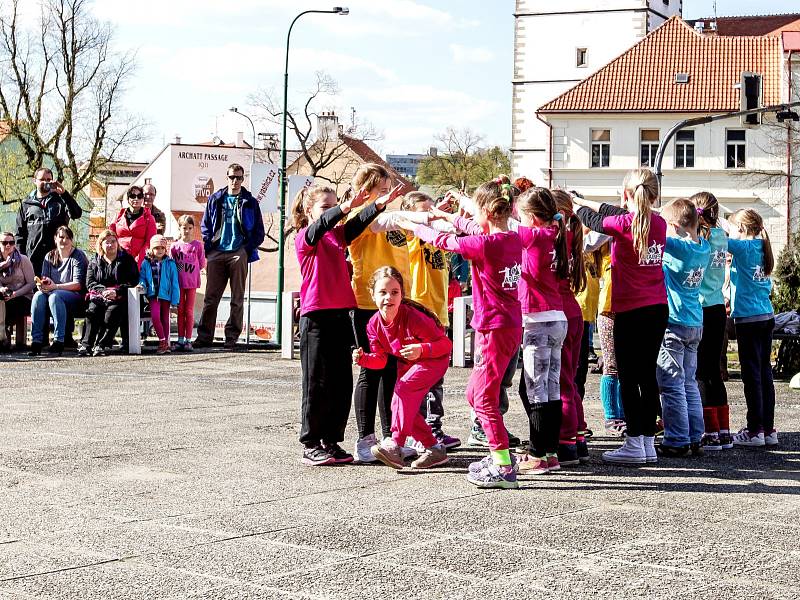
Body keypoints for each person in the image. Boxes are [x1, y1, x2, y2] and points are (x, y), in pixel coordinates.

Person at [412, 176, 523, 489]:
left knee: (485, 399)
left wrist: (415, 224)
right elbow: (474, 228)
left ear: (485, 211)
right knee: (475, 394)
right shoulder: (512, 238)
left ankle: (503, 466)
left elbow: (445, 242)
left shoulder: (486, 244)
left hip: (495, 328)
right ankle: (497, 453)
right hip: (505, 326)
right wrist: (449, 216)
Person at [574, 168, 667, 466]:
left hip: (630, 309)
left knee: (628, 376)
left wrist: (575, 204)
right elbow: (612, 212)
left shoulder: (624, 224)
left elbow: (593, 219)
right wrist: (588, 201)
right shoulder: (661, 223)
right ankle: (647, 444)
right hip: (657, 308)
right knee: (647, 375)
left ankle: (634, 443)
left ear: (626, 194)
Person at [290, 183, 386, 466]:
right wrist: (343, 206)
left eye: (334, 205)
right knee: (316, 383)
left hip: (342, 314)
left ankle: (331, 440)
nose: (332, 211)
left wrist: (377, 204)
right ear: (310, 211)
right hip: (316, 316)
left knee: (341, 382)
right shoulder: (305, 237)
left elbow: (355, 224)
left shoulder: (337, 236)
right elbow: (322, 225)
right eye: (324, 206)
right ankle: (311, 442)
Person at [354, 267, 452, 470]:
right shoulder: (373, 325)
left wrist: (421, 349)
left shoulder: (413, 317)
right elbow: (380, 361)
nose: (388, 297)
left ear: (401, 295)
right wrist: (363, 359)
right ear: (372, 295)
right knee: (403, 407)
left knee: (403, 390)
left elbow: (445, 345)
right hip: (408, 364)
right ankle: (434, 449)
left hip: (434, 359)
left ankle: (395, 444)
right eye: (382, 292)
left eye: (394, 292)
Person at [345, 163, 407, 462]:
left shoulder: (390, 218)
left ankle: (389, 438)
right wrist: (385, 207)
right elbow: (377, 223)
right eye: (382, 190)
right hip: (367, 304)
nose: (388, 196)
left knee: (392, 372)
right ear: (365, 191)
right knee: (372, 370)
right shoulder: (361, 217)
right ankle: (363, 439)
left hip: (396, 306)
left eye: (389, 191)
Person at [511, 187, 569, 475]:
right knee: (550, 388)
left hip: (537, 320)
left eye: (521, 216)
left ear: (532, 218)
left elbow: (498, 228)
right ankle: (550, 452)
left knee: (533, 390)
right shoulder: (555, 234)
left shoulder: (533, 235)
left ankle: (537, 453)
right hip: (556, 318)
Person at [401, 191, 461, 450]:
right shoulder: (412, 237)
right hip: (419, 314)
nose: (430, 216)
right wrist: (428, 215)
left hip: (439, 314)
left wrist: (441, 211)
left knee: (437, 377)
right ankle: (420, 431)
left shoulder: (438, 238)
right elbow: (417, 225)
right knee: (420, 377)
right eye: (423, 212)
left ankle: (435, 427)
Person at [655, 199, 711, 457]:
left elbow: (650, 235)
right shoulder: (704, 248)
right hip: (695, 322)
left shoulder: (676, 246)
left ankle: (676, 439)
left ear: (675, 227)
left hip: (674, 322)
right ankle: (694, 435)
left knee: (671, 383)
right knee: (689, 382)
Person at [195, 163, 265, 350]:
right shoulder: (216, 199)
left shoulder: (250, 202)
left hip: (238, 253)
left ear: (243, 179)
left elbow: (259, 232)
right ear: (226, 177)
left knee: (237, 298)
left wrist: (246, 249)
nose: (235, 181)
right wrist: (209, 246)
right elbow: (205, 225)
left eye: (239, 178)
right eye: (232, 177)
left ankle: (231, 338)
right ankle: (204, 337)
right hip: (217, 252)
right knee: (211, 298)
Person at [727, 209, 777, 448]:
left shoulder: (744, 248)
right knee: (765, 373)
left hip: (748, 319)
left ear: (742, 229)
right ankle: (768, 428)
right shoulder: (761, 246)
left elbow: (720, 239)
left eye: (735, 228)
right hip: (766, 316)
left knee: (752, 376)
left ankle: (754, 429)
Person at [691, 192, 732, 450]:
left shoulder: (699, 240)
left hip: (700, 306)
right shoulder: (721, 237)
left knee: (700, 372)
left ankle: (709, 431)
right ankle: (724, 430)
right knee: (714, 370)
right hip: (718, 306)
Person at [552, 190, 588, 467]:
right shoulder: (573, 234)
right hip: (573, 311)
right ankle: (577, 437)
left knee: (562, 382)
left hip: (559, 312)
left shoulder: (555, 236)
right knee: (571, 381)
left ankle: (565, 444)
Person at [28, 226, 88, 356]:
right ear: (55, 239)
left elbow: (78, 284)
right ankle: (36, 342)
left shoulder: (78, 256)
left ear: (72, 240)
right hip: (52, 294)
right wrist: (42, 285)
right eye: (61, 237)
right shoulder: (49, 256)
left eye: (68, 237)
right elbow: (45, 279)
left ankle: (58, 341)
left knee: (55, 296)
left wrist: (56, 287)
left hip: (75, 297)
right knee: (38, 296)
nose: (64, 240)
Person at [79, 230, 139, 357]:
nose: (111, 245)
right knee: (93, 311)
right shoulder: (94, 261)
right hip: (99, 296)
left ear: (117, 243)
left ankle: (101, 345)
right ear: (101, 244)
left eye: (113, 241)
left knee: (113, 312)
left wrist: (116, 291)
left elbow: (133, 280)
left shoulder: (127, 259)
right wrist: (103, 291)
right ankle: (86, 345)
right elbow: (90, 282)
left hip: (120, 297)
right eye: (107, 242)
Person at [15, 168, 83, 276]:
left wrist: (64, 194)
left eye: (48, 179)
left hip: (57, 258)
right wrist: (21, 258)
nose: (45, 182)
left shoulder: (60, 201)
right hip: (33, 258)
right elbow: (20, 234)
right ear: (34, 181)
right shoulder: (26, 204)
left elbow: (76, 214)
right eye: (42, 179)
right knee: (35, 291)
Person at [138, 235, 180, 354]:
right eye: (156, 248)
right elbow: (142, 277)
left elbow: (174, 282)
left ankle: (165, 344)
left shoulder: (170, 263)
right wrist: (141, 285)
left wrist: (175, 300)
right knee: (156, 317)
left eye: (162, 248)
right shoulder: (146, 263)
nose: (159, 250)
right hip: (153, 295)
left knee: (165, 319)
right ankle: (162, 341)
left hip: (165, 295)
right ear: (151, 249)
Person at [170, 215, 206, 351]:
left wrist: (191, 270)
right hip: (178, 283)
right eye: (184, 228)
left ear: (193, 229)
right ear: (179, 228)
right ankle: (179, 339)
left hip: (192, 282)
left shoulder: (198, 245)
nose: (187, 231)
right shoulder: (175, 246)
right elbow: (171, 264)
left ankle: (188, 339)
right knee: (180, 311)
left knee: (189, 311)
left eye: (190, 228)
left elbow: (202, 263)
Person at [0, 232, 35, 351]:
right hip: (4, 297)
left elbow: (31, 283)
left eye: (11, 242)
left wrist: (15, 294)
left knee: (10, 306)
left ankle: (6, 340)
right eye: (4, 243)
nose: (8, 245)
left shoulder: (23, 260)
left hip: (23, 296)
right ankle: (3, 339)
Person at [109, 185, 157, 267]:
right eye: (132, 196)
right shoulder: (118, 216)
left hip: (139, 261)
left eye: (139, 196)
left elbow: (149, 242)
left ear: (142, 199)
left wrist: (139, 259)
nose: (136, 199)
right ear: (128, 199)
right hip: (118, 259)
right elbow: (110, 235)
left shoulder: (149, 218)